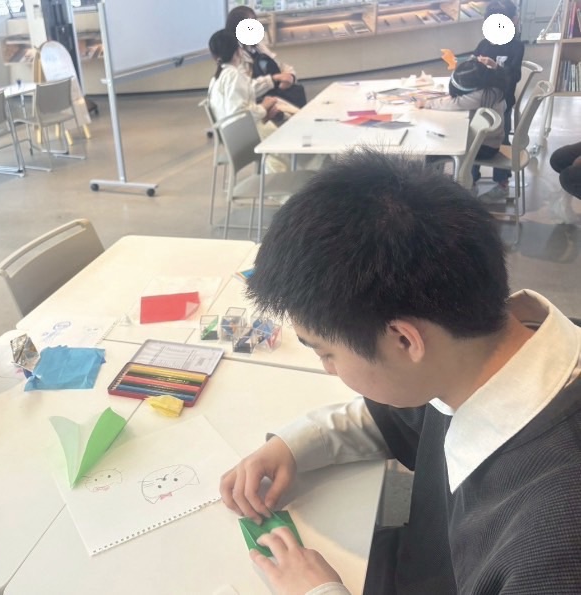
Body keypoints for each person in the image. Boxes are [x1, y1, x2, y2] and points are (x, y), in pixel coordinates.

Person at [220, 149, 581, 594]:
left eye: (326, 353)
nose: (327, 370)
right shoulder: (486, 355)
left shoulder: (553, 542)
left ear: (405, 340)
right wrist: (293, 446)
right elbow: (398, 419)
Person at [416, 58, 507, 191]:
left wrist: (426, 103)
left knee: (434, 152)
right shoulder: (493, 86)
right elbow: (460, 100)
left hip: (485, 147)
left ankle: (434, 189)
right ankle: (457, 182)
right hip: (489, 142)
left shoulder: (480, 96)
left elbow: (455, 103)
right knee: (439, 145)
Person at [207, 29, 287, 173]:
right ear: (238, 51)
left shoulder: (216, 79)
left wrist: (263, 115)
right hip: (243, 137)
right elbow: (240, 113)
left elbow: (234, 113)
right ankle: (283, 183)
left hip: (232, 136)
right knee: (287, 142)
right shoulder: (233, 76)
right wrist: (264, 108)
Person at [472, 0, 525, 201]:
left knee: (501, 139)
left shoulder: (516, 47)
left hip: (502, 103)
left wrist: (495, 67)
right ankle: (471, 179)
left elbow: (514, 76)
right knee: (473, 137)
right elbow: (473, 66)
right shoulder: (484, 45)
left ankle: (502, 183)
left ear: (514, 21)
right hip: (480, 101)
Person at [225, 6, 304, 118]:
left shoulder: (258, 46)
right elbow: (246, 89)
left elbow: (280, 66)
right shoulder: (235, 56)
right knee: (298, 115)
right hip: (258, 102)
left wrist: (290, 76)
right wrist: (274, 79)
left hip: (274, 93)